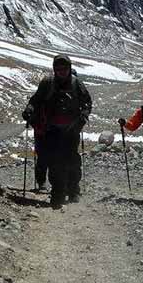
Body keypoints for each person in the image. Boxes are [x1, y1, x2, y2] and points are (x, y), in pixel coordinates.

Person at [22, 55, 92, 209]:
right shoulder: (47, 83)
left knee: (72, 160)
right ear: (54, 69)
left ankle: (73, 190)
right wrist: (29, 109)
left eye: (64, 69)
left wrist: (83, 116)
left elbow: (87, 102)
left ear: (69, 68)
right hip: (51, 129)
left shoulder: (76, 83)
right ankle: (57, 194)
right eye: (58, 69)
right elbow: (36, 100)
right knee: (55, 162)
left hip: (72, 129)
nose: (61, 72)